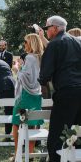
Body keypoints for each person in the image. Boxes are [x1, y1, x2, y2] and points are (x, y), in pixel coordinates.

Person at [38, 16, 81, 162]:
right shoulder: (78, 41)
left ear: (55, 28)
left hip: (66, 93)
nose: (46, 31)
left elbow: (45, 74)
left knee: (56, 136)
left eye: (47, 28)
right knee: (77, 133)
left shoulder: (55, 43)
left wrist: (43, 81)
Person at [11, 34, 44, 160]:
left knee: (16, 122)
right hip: (37, 94)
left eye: (25, 42)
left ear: (31, 43)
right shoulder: (39, 57)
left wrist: (16, 68)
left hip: (25, 94)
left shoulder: (30, 57)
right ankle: (30, 153)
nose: (24, 44)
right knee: (32, 123)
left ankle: (17, 153)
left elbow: (24, 77)